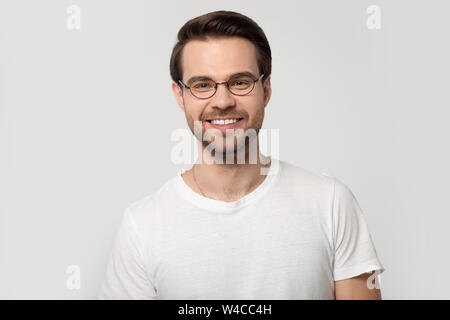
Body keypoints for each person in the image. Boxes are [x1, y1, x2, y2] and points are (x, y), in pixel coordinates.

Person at [98, 10, 385, 300]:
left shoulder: (331, 204)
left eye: (240, 82)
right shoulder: (141, 226)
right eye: (202, 85)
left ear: (266, 89)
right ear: (179, 95)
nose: (222, 101)